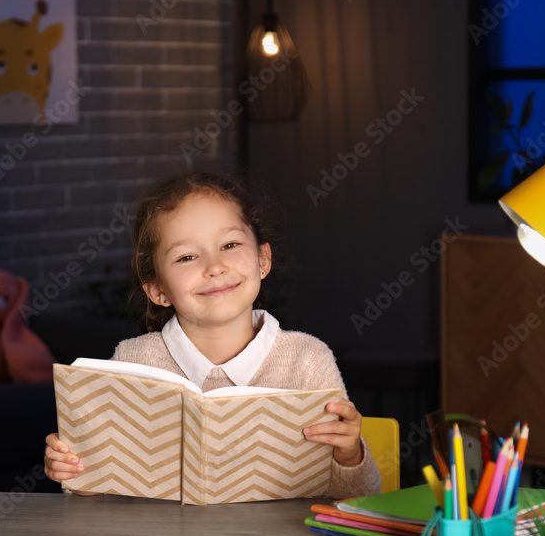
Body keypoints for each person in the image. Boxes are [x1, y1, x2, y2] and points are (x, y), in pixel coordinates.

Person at [44, 171, 382, 498]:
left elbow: (361, 496)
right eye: (187, 256)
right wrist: (76, 471)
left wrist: (349, 453)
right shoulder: (132, 361)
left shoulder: (308, 360)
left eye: (230, 244)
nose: (214, 266)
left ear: (263, 259)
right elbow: (101, 488)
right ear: (158, 289)